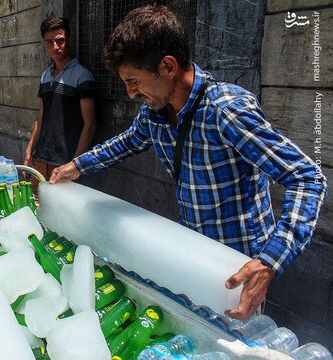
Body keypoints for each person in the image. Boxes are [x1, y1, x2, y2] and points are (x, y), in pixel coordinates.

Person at [49, 5, 327, 320]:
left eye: (134, 81)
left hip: (236, 269)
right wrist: (77, 166)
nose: (130, 93)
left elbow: (306, 178)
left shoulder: (227, 111)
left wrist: (268, 263)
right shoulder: (154, 113)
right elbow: (126, 142)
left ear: (168, 66)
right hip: (192, 253)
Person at [24, 17, 96, 185]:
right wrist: (29, 151)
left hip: (64, 162)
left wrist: (75, 164)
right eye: (49, 42)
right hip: (40, 158)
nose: (55, 47)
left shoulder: (82, 76)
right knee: (36, 206)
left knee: (60, 210)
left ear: (69, 40)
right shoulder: (45, 76)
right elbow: (41, 117)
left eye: (60, 41)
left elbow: (90, 124)